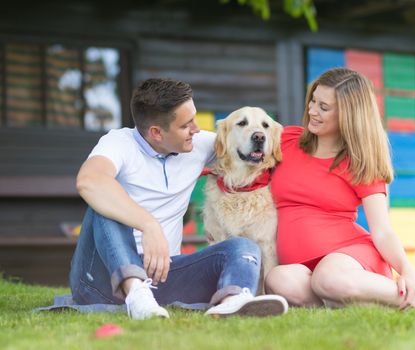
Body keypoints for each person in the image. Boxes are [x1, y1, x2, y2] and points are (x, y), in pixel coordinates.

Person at [265, 67, 415, 312]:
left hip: (349, 258)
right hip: (302, 268)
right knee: (278, 279)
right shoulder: (286, 140)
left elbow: (382, 230)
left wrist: (408, 272)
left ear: (348, 114)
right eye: (313, 101)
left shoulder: (359, 161)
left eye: (324, 107)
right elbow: (235, 147)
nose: (312, 111)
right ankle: (346, 304)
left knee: (328, 279)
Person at [69, 78, 288, 320]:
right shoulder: (118, 143)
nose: (196, 129)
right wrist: (148, 225)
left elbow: (254, 145)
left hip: (163, 274)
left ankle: (235, 299)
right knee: (104, 202)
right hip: (99, 281)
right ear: (156, 133)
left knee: (243, 245)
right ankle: (135, 293)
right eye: (186, 125)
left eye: (193, 119)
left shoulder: (198, 144)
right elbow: (89, 181)